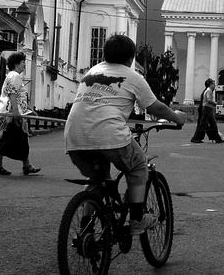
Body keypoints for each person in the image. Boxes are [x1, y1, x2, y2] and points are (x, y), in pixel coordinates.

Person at [65, 34, 186, 235]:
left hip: (74, 137)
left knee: (97, 179)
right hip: (109, 135)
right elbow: (156, 107)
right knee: (138, 165)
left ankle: (86, 228)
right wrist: (177, 117)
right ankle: (137, 219)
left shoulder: (92, 72)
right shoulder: (133, 77)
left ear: (104, 54)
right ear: (131, 59)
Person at [0, 51, 40, 176]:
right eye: (23, 62)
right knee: (17, 139)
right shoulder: (15, 76)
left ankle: (1, 166)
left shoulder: (12, 76)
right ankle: (26, 165)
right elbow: (12, 94)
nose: (25, 65)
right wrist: (16, 113)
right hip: (10, 115)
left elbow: (18, 97)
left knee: (5, 138)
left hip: (6, 113)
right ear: (16, 64)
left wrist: (29, 109)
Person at [190, 78, 224, 143]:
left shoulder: (207, 90)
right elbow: (209, 100)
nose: (214, 86)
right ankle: (196, 138)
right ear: (210, 84)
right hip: (206, 109)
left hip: (208, 108)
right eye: (214, 84)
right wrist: (217, 103)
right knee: (204, 124)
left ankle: (217, 139)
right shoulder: (209, 91)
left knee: (212, 124)